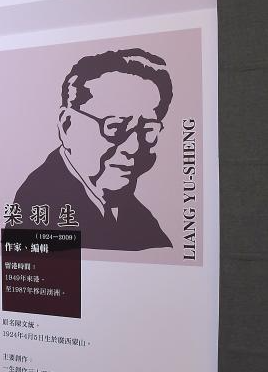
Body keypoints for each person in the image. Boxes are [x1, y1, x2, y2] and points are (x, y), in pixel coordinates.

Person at [13, 48, 173, 250]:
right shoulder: (36, 202)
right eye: (115, 127)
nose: (133, 147)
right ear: (67, 125)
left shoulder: (139, 218)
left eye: (148, 130)